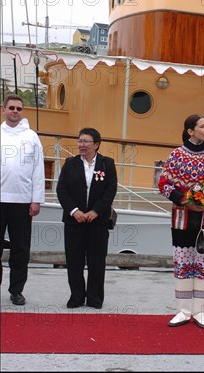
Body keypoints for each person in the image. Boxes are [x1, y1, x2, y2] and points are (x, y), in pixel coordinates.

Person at [158, 114, 204, 329]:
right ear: (190, 131)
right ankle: (182, 310)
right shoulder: (176, 156)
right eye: (202, 126)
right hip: (182, 219)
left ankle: (201, 311)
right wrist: (184, 200)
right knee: (182, 262)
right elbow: (164, 184)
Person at [56, 128, 117, 309]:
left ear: (96, 144)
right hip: (74, 221)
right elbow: (62, 190)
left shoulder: (107, 163)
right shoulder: (70, 163)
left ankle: (94, 298)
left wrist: (96, 211)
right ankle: (76, 297)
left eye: (86, 141)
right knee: (74, 261)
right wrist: (74, 211)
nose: (81, 145)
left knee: (96, 261)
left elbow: (110, 190)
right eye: (80, 141)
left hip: (98, 221)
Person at [0, 94, 45, 306]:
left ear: (22, 111)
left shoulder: (32, 137)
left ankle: (16, 291)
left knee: (20, 249)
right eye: (11, 107)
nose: (15, 111)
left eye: (18, 108)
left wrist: (36, 200)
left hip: (22, 201)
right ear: (4, 109)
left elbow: (38, 170)